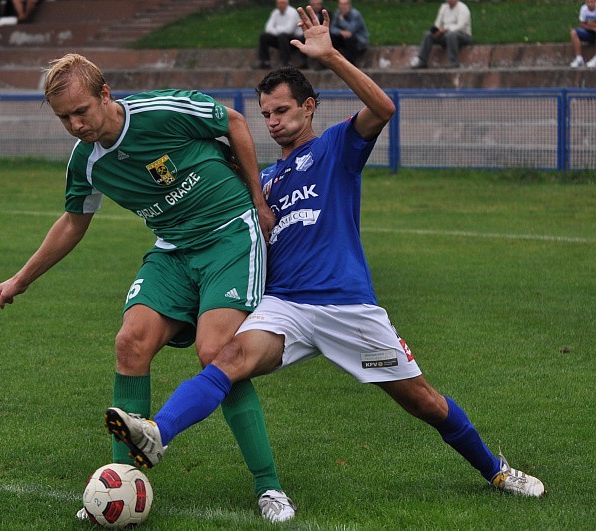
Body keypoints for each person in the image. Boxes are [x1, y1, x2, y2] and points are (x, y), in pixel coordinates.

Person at [105, 5, 547, 509]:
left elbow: (382, 109)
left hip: (348, 309)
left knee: (423, 402)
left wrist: (331, 54)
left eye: (283, 111)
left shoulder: (337, 147)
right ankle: (157, 433)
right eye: (266, 114)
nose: (272, 122)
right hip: (284, 308)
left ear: (310, 107)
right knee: (226, 358)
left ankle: (496, 470)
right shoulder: (264, 182)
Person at [0, 53, 296, 523]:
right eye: (64, 118)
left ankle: (269, 487)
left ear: (105, 94)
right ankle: (119, 482)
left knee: (216, 353)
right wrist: (20, 279)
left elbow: (233, 121)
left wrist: (257, 201)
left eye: (81, 111)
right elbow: (73, 223)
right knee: (129, 342)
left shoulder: (160, 110)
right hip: (173, 249)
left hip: (229, 233)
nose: (74, 124)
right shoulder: (86, 163)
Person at [411, 0, 472, 69]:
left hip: (463, 35)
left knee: (451, 35)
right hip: (445, 34)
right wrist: (435, 31)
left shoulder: (463, 8)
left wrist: (445, 29)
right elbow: (437, 23)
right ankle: (422, 61)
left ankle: (453, 62)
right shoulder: (444, 7)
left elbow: (460, 26)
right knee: (428, 34)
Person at [257, 0, 303, 69]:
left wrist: (276, 29)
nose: (280, 5)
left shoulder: (293, 12)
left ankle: (286, 62)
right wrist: (278, 30)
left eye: (283, 3)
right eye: (279, 3)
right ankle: (265, 61)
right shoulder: (275, 12)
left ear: (287, 3)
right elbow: (268, 28)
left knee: (283, 36)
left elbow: (289, 30)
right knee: (263, 36)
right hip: (280, 38)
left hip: (295, 40)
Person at [329, 0, 368, 66]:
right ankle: (334, 60)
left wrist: (342, 20)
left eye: (345, 4)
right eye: (341, 4)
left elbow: (352, 29)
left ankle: (351, 63)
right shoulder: (338, 13)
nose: (343, 6)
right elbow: (332, 28)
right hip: (345, 40)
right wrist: (340, 32)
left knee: (349, 37)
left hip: (359, 41)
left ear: (350, 5)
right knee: (333, 36)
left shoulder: (355, 14)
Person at [569, 0, 596, 68]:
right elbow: (582, 24)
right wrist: (592, 27)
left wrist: (590, 24)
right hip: (589, 32)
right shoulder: (583, 9)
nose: (590, 4)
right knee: (574, 32)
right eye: (588, 2)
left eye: (592, 2)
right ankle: (579, 58)